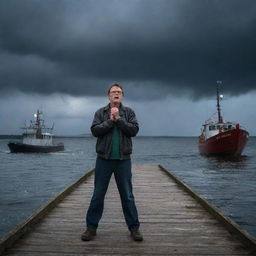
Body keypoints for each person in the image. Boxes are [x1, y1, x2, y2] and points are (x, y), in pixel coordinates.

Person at [81, 83, 143, 242]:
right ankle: (91, 228)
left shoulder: (129, 112)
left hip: (123, 160)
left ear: (122, 96)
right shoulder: (100, 112)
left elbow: (134, 130)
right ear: (108, 96)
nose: (116, 94)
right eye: (113, 92)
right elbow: (95, 131)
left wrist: (119, 119)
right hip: (104, 160)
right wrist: (110, 120)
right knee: (98, 195)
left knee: (127, 196)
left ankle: (134, 229)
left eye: (119, 92)